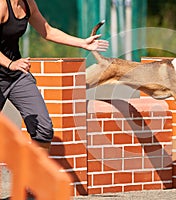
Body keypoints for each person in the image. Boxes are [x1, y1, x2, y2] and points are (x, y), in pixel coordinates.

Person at [0, 0, 109, 152]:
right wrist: (11, 64)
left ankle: (34, 174)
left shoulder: (28, 4)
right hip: (10, 67)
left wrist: (83, 43)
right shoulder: (2, 6)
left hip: (16, 76)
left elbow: (48, 31)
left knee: (43, 131)